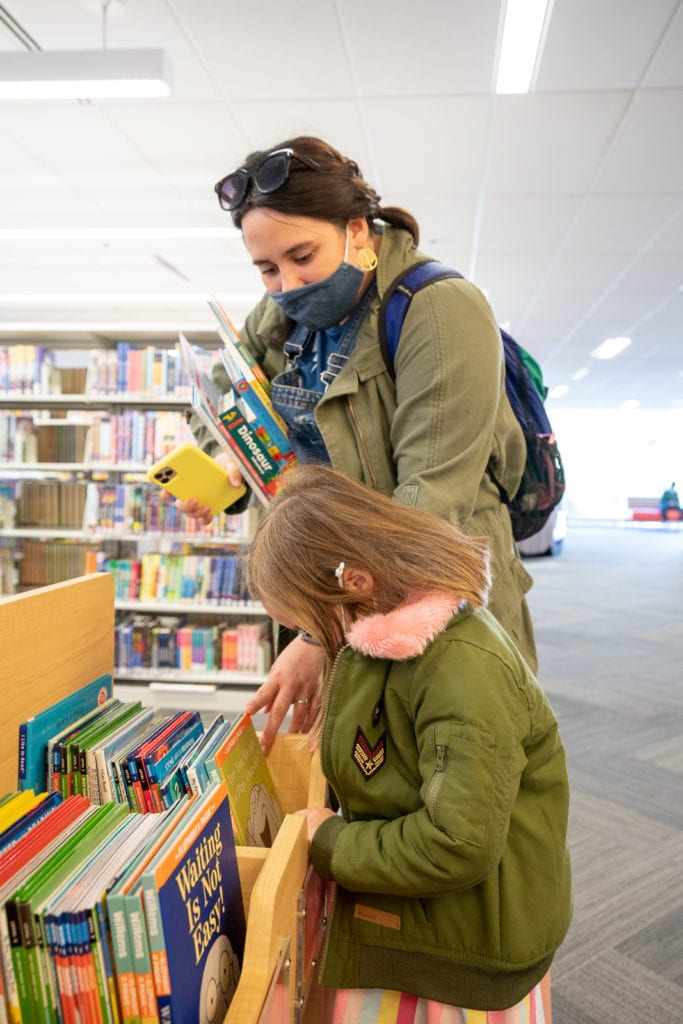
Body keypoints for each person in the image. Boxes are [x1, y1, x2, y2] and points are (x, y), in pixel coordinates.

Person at [183, 135, 536, 752]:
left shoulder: (441, 308)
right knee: (342, 791)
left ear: (357, 230)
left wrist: (323, 635)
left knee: (450, 792)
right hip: (325, 598)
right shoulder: (282, 316)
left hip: (428, 599)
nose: (286, 282)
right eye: (266, 268)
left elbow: (428, 508)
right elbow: (220, 401)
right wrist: (226, 462)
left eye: (301, 255)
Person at [246, 464, 572, 1017]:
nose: (309, 641)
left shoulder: (462, 670)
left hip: (463, 954)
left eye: (310, 623)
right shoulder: (386, 636)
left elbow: (457, 843)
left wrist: (331, 843)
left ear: (355, 584)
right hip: (429, 923)